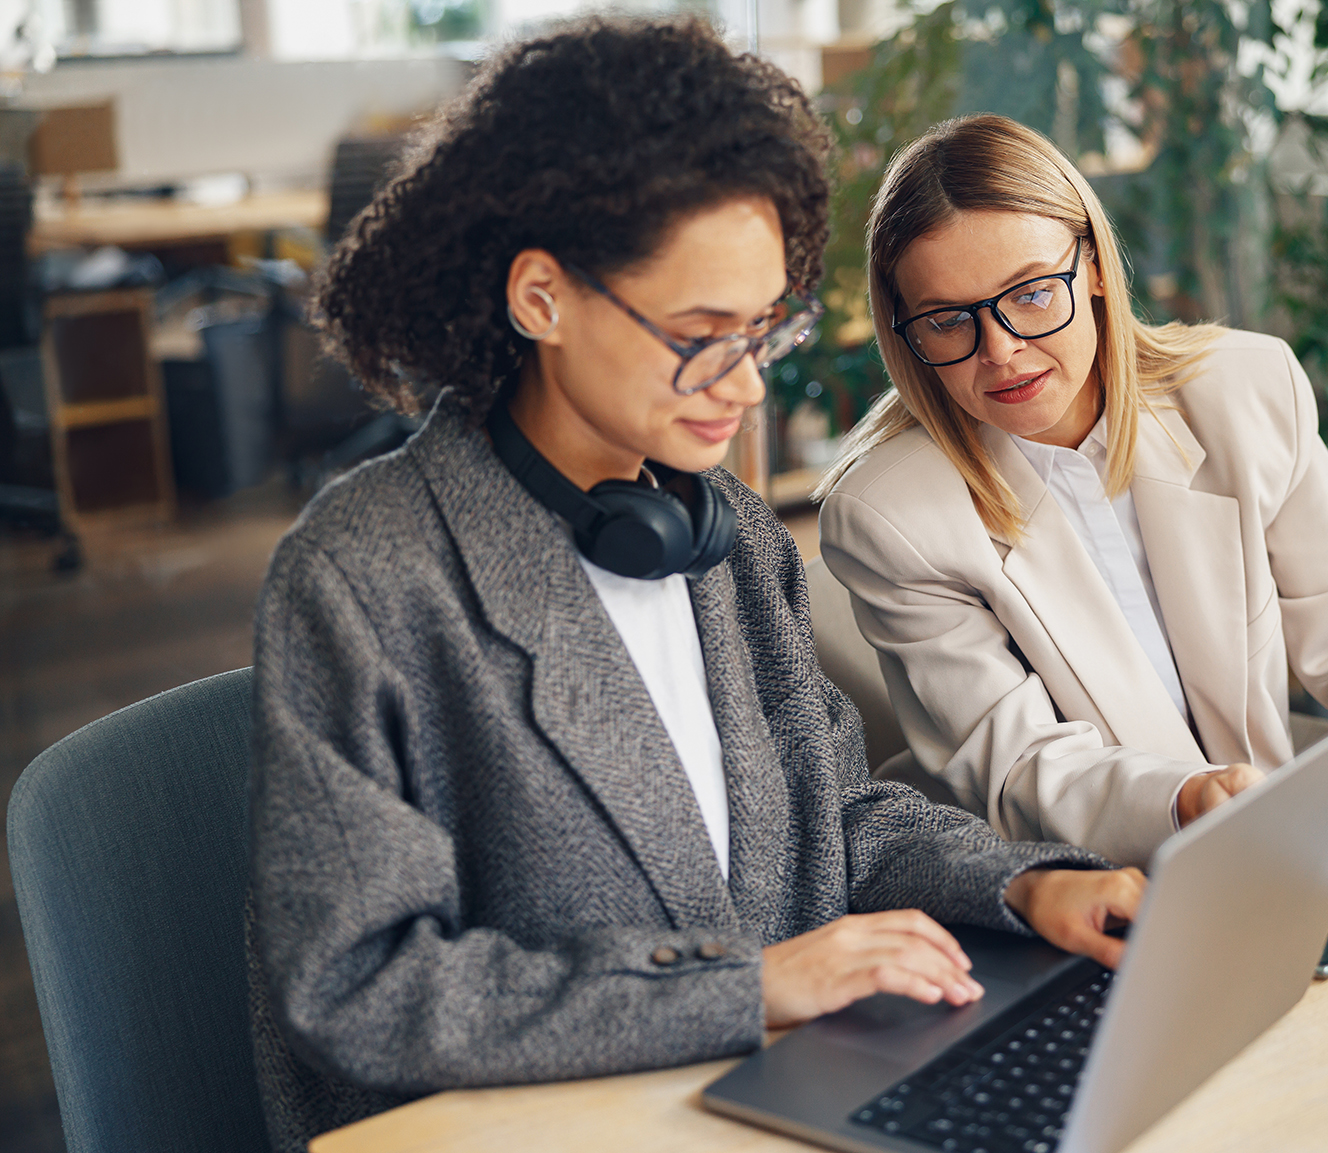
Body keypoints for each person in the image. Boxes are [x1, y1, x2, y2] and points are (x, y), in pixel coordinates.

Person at [247, 22, 1146, 1152]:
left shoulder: (713, 535)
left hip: (772, 1094)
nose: (748, 386)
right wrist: (740, 986)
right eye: (699, 333)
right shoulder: (366, 579)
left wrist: (1023, 886)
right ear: (541, 297)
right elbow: (363, 987)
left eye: (763, 328)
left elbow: (832, 818)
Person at [816, 114, 1328, 866]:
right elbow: (1022, 766)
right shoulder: (893, 514)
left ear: (1095, 267)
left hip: (1265, 844)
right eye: (949, 319)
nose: (1000, 351)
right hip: (1064, 880)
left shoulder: (1246, 388)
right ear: (904, 328)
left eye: (1032, 293)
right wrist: (1185, 799)